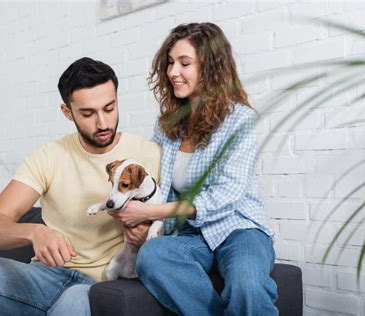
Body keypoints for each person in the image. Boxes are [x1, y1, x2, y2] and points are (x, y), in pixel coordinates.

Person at [0, 57, 161, 315]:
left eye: (109, 108)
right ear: (67, 112)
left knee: (72, 305)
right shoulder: (49, 156)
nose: (103, 123)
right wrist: (35, 233)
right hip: (44, 276)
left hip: (100, 284)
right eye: (88, 113)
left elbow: (178, 222)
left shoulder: (149, 154)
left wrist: (146, 239)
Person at [108, 22, 278, 315]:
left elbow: (226, 195)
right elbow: (155, 186)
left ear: (211, 67)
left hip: (239, 228)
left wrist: (148, 213)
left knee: (247, 285)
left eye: (184, 63)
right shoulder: (167, 126)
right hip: (188, 236)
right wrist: (141, 223)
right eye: (171, 63)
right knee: (152, 257)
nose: (173, 72)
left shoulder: (240, 120)